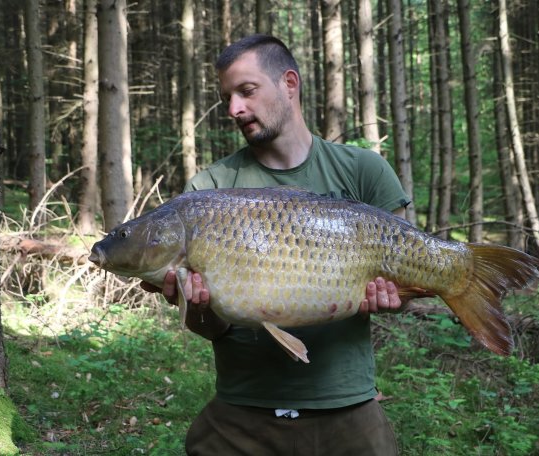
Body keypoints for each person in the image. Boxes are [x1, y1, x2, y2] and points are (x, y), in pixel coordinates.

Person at [144, 34, 411, 455]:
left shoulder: (364, 171)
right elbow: (210, 328)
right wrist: (198, 308)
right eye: (227, 97)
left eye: (246, 91)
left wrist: (399, 297)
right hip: (243, 413)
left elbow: (407, 280)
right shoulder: (209, 190)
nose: (234, 109)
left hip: (348, 409)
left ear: (289, 83)